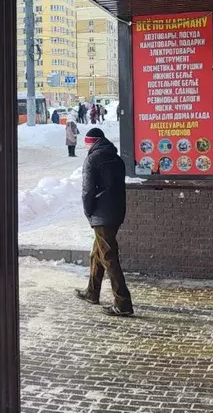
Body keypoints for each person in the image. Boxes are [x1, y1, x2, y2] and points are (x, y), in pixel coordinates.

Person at [74, 128, 134, 317]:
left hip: (101, 214)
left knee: (109, 257)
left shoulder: (92, 159)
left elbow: (88, 190)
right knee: (97, 253)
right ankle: (92, 292)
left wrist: (88, 211)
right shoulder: (116, 158)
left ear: (91, 142)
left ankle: (123, 303)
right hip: (116, 212)